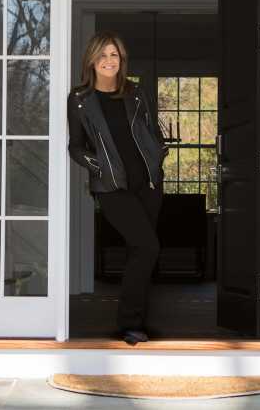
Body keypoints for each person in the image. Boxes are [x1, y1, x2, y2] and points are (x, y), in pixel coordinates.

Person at [67, 30, 168, 345]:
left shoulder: (135, 93)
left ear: (121, 60)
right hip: (111, 188)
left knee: (141, 251)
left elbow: (152, 131)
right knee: (147, 247)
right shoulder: (80, 100)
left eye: (114, 55)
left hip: (148, 184)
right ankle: (130, 324)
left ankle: (138, 320)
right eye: (103, 55)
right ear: (92, 61)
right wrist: (101, 168)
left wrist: (158, 155)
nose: (109, 61)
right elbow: (76, 146)